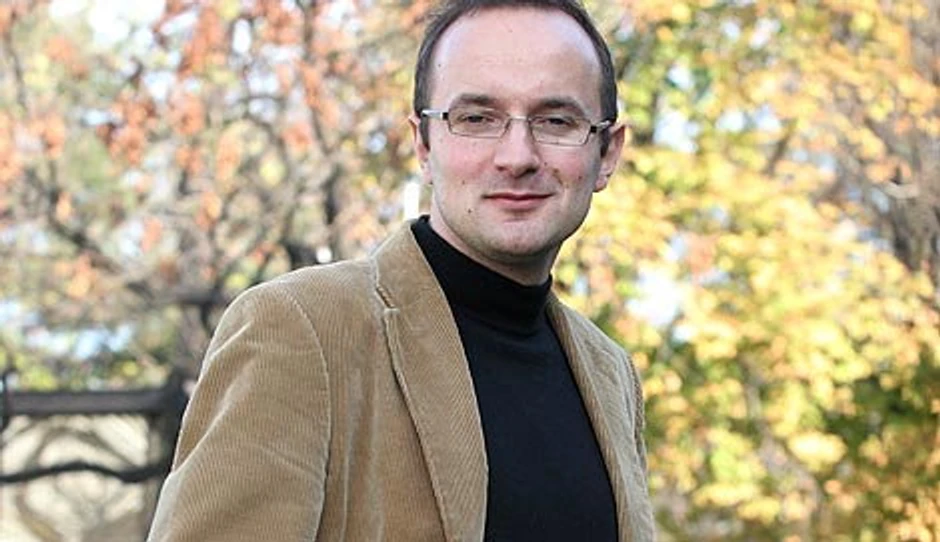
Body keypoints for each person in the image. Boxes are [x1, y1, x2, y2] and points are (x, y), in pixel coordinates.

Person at [147, 0, 655, 540]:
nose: (517, 156)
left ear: (607, 153)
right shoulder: (300, 329)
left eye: (556, 121)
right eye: (476, 119)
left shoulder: (611, 376)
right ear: (423, 144)